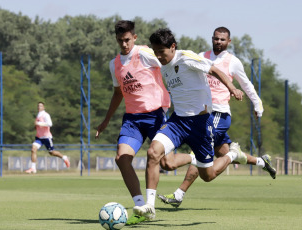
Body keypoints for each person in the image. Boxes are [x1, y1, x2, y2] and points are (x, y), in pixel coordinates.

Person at [133, 28, 246, 221]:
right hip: (177, 121)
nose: (159, 56)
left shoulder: (186, 58)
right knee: (153, 153)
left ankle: (232, 154)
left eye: (162, 51)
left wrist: (233, 88)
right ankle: (149, 207)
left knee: (207, 176)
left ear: (173, 47)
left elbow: (215, 70)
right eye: (156, 51)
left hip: (200, 124)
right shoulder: (163, 64)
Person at [158, 27, 277, 209]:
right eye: (216, 39)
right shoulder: (201, 55)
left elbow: (246, 84)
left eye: (222, 39)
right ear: (212, 39)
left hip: (219, 113)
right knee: (223, 154)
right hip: (202, 112)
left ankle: (179, 194)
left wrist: (257, 104)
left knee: (199, 151)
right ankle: (261, 161)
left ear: (229, 42)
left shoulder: (233, 62)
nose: (218, 42)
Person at [95, 20, 183, 225]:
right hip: (132, 119)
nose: (124, 44)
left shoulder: (144, 53)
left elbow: (169, 61)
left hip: (155, 115)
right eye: (120, 41)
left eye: (127, 40)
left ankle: (194, 157)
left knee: (167, 163)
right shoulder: (114, 64)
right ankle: (142, 206)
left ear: (134, 37)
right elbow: (118, 93)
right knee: (121, 158)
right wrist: (106, 120)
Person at [25, 102, 70, 173]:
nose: (39, 107)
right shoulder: (38, 115)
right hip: (39, 137)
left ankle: (64, 157)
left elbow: (50, 124)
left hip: (46, 137)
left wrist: (38, 123)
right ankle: (33, 168)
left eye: (41, 106)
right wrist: (36, 126)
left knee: (52, 152)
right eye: (38, 106)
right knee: (33, 149)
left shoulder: (46, 115)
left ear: (44, 107)